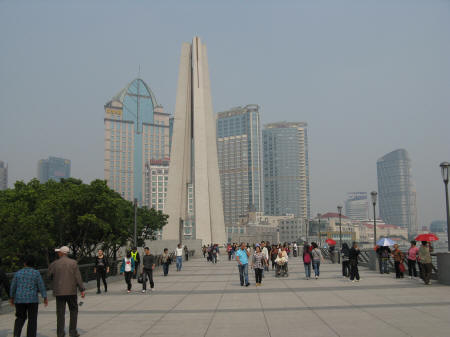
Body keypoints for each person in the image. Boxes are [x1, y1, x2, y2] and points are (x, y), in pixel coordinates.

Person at [48, 246, 85, 337]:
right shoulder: (73, 263)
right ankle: (72, 332)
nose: (58, 253)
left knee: (60, 313)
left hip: (59, 292)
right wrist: (82, 289)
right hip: (71, 291)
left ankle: (60, 333)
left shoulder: (54, 264)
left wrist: (54, 283)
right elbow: (78, 277)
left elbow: (49, 276)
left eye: (59, 252)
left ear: (62, 253)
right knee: (73, 311)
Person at [9, 255, 48, 337]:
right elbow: (41, 285)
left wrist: (11, 297)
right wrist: (44, 297)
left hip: (19, 299)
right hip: (32, 299)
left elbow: (13, 286)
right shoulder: (36, 273)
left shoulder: (18, 273)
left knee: (20, 317)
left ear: (24, 263)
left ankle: (16, 334)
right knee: (32, 319)